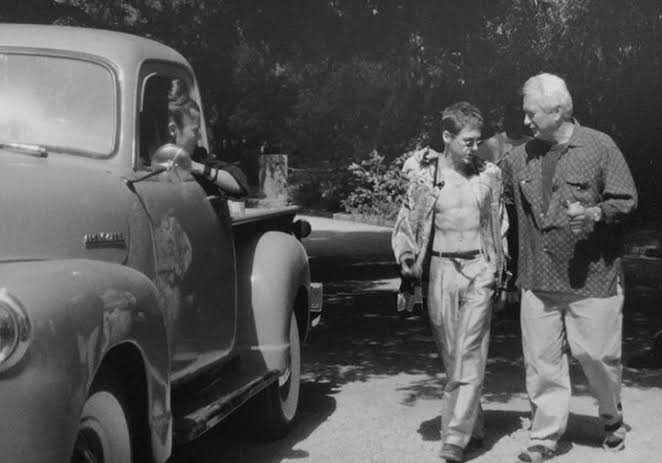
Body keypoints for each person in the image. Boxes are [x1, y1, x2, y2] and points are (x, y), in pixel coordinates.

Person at [500, 73, 637, 463]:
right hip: (537, 276)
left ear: (558, 110)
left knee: (597, 356)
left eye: (532, 113)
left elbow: (626, 199)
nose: (525, 120)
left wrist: (594, 213)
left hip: (592, 277)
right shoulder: (519, 157)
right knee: (541, 362)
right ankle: (544, 436)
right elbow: (494, 190)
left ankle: (611, 417)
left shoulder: (599, 146)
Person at [392, 102, 508, 463]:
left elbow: (500, 225)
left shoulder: (489, 175)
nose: (475, 148)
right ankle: (474, 426)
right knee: (452, 354)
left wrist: (501, 272)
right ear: (447, 136)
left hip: (479, 269)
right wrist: (406, 259)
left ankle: (454, 439)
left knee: (470, 351)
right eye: (467, 141)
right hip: (441, 271)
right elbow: (406, 224)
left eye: (477, 141)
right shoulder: (424, 177)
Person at [166, 81, 248, 198]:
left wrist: (198, 167)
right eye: (195, 130)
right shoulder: (148, 164)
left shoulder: (199, 159)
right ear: (173, 130)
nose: (199, 136)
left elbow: (239, 182)